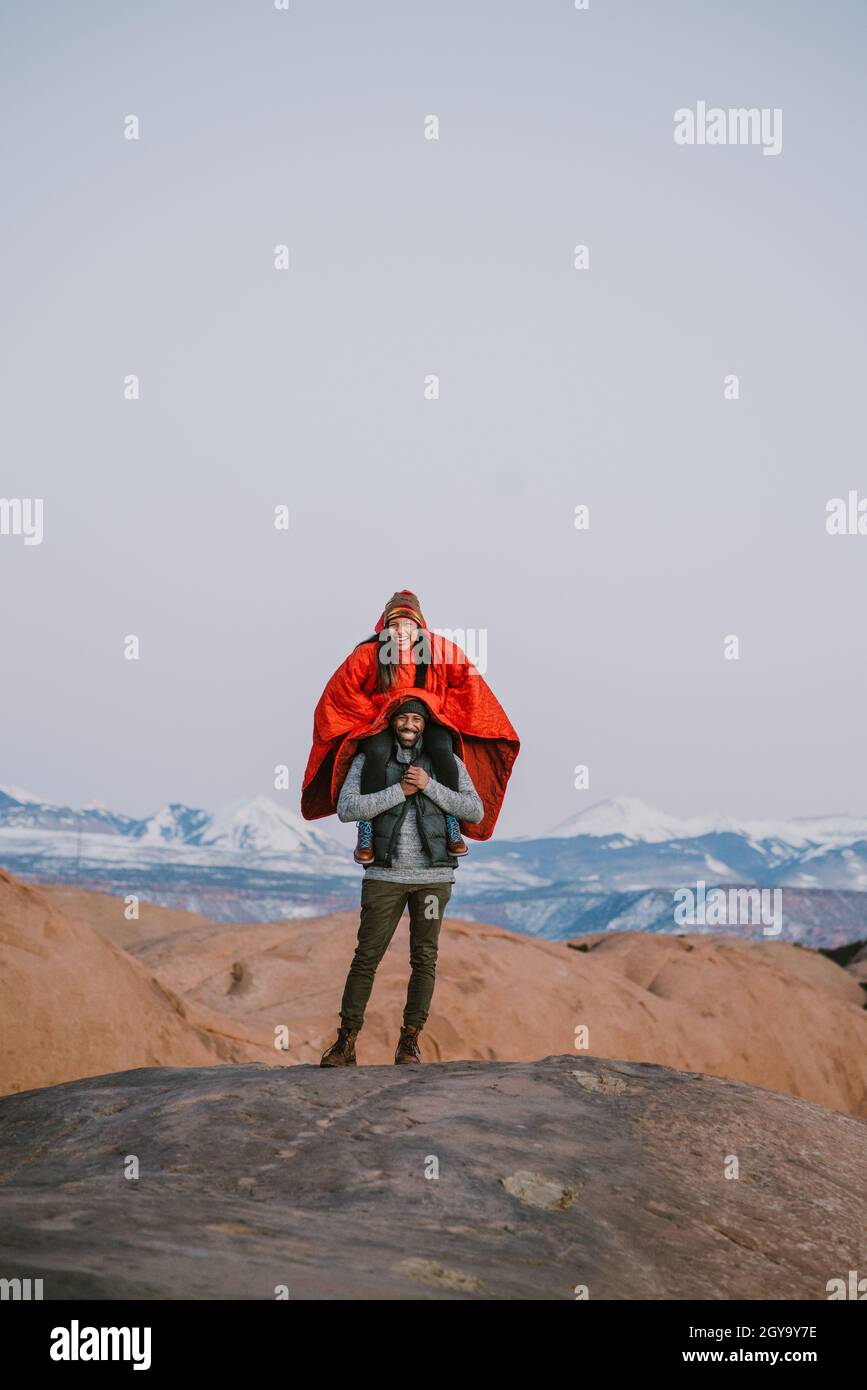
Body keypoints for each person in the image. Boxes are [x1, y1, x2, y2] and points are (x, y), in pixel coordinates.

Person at [320, 697, 484, 1066]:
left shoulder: (444, 764)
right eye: (403, 718)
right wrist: (401, 791)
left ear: (426, 724)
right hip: (384, 876)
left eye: (417, 719)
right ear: (391, 722)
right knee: (366, 958)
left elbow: (475, 809)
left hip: (433, 878)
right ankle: (346, 1042)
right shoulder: (369, 760)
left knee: (424, 959)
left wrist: (427, 785)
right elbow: (348, 808)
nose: (409, 725)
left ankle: (409, 1042)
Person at [301, 589, 520, 858]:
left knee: (442, 746)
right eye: (394, 625)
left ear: (419, 626)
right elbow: (339, 694)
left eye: (408, 625)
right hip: (382, 723)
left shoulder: (440, 650)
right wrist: (379, 711)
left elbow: (467, 682)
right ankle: (366, 828)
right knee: (378, 751)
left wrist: (437, 707)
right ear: (384, 628)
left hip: (428, 719)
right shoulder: (367, 655)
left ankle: (451, 821)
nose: (401, 632)